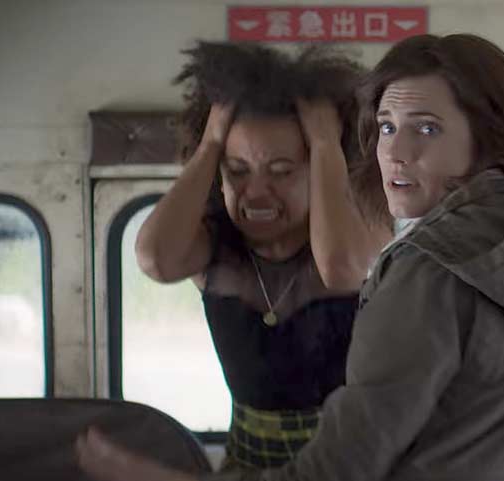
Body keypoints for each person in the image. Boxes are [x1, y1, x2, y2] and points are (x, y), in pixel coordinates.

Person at [78, 33, 504, 481]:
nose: (396, 152)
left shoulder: (426, 275)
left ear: (490, 138)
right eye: (385, 126)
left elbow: (340, 471)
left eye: (425, 128)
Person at [132, 42, 390, 471]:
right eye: (237, 170)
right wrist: (211, 142)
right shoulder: (214, 244)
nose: (255, 192)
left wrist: (326, 142)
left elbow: (344, 270)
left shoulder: (363, 226)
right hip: (247, 466)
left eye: (281, 171)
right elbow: (154, 259)